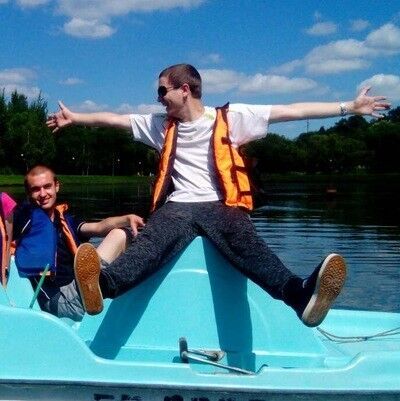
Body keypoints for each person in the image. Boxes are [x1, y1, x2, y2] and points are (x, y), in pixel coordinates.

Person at [47, 63, 390, 327]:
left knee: (248, 244)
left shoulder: (232, 117)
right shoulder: (160, 125)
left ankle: (300, 296)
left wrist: (350, 107)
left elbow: (293, 111)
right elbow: (113, 120)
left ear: (184, 89)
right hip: (178, 206)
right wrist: (75, 118)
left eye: (162, 91)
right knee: (151, 244)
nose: (158, 98)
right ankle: (101, 286)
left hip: (221, 205)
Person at [12, 164, 144, 321]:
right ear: (28, 193)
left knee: (121, 234)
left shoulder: (66, 220)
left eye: (47, 187)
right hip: (57, 301)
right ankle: (99, 283)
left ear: (56, 186)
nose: (43, 194)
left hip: (78, 287)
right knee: (101, 269)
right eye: (35, 189)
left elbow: (99, 227)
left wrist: (127, 218)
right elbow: (6, 218)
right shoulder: (24, 218)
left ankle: (99, 282)